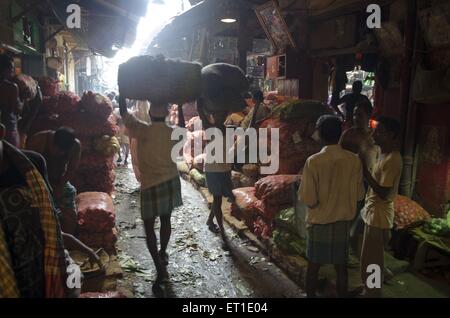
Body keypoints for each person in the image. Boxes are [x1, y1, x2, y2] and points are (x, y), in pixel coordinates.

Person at [298, 115, 365, 298]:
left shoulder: (313, 161)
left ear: (319, 134)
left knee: (313, 267)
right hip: (343, 223)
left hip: (319, 222)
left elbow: (309, 198)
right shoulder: (354, 160)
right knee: (341, 268)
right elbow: (360, 195)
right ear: (340, 133)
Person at [119, 96, 182, 286]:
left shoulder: (142, 129)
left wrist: (123, 91)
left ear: (151, 112)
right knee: (165, 220)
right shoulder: (173, 132)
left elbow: (124, 113)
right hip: (170, 181)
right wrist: (179, 102)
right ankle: (162, 253)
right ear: (166, 112)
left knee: (149, 229)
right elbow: (184, 127)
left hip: (150, 185)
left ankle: (160, 268)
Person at [359, 116, 402, 298]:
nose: (375, 134)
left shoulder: (393, 159)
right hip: (373, 210)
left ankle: (373, 292)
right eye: (375, 130)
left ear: (391, 135)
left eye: (380, 131)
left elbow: (383, 192)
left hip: (379, 213)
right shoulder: (381, 152)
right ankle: (382, 274)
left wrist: (365, 172)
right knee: (372, 253)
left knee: (371, 260)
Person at [339, 101, 380, 255]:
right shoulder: (348, 134)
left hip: (368, 182)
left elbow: (378, 159)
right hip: (349, 181)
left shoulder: (375, 136)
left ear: (369, 116)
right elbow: (338, 155)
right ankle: (345, 249)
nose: (356, 118)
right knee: (349, 215)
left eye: (360, 115)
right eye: (355, 114)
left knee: (362, 216)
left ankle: (355, 249)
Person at [26, 127, 81, 235]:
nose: (61, 153)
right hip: (37, 181)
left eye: (64, 151)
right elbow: (26, 165)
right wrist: (42, 186)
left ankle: (68, 239)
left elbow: (72, 168)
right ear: (53, 141)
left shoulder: (75, 146)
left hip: (59, 181)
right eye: (58, 149)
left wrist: (60, 186)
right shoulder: (39, 140)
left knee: (70, 214)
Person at [0, 54, 23, 147]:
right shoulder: (11, 87)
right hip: (8, 130)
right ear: (5, 69)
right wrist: (24, 98)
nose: (13, 71)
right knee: (11, 158)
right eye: (12, 68)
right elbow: (17, 109)